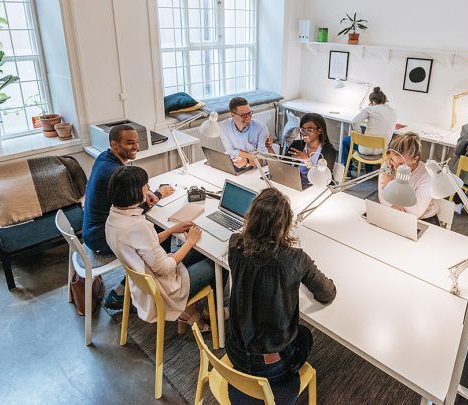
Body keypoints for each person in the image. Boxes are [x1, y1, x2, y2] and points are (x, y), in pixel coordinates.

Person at [226, 188, 337, 404]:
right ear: (285, 224)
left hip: (235, 352)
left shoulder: (235, 244)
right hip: (271, 366)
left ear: (251, 217)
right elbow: (327, 294)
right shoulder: (294, 259)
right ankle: (281, 383)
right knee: (305, 335)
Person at [105, 166, 216, 328]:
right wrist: (190, 241)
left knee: (199, 253)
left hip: (145, 282)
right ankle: (209, 313)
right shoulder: (137, 226)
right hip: (164, 290)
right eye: (145, 185)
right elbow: (165, 268)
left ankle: (194, 310)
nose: (149, 188)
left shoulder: (114, 217)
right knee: (215, 263)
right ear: (134, 191)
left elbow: (143, 245)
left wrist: (172, 230)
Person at [82, 124, 174, 309]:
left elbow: (125, 202)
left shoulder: (104, 158)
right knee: (158, 231)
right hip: (103, 237)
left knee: (151, 231)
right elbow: (134, 210)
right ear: (114, 145)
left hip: (91, 230)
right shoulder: (113, 172)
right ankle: (131, 289)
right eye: (130, 142)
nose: (136, 147)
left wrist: (142, 191)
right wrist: (158, 193)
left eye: (137, 142)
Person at [378, 133, 439, 224]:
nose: (394, 167)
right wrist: (393, 205)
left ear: (415, 159)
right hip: (394, 211)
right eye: (392, 159)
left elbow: (415, 213)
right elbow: (382, 196)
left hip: (423, 219)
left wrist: (389, 183)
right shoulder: (388, 165)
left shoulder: (426, 175)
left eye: (401, 164)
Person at [341, 87, 399, 174]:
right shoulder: (394, 112)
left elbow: (354, 122)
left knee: (346, 141)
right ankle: (369, 172)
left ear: (373, 102)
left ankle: (348, 171)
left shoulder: (370, 109)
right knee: (373, 140)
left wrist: (360, 137)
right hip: (382, 150)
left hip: (366, 150)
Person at [219, 97, 275, 168]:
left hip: (259, 168)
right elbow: (230, 151)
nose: (248, 118)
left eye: (249, 113)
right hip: (238, 162)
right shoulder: (224, 126)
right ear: (232, 115)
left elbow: (262, 159)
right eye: (243, 115)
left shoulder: (260, 127)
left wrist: (246, 161)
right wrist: (251, 156)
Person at [285, 113, 338, 183]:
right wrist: (270, 148)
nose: (304, 133)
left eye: (309, 130)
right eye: (303, 129)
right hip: (299, 184)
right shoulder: (297, 145)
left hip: (319, 186)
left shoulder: (329, 151)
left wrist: (307, 160)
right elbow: (283, 166)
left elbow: (323, 177)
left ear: (319, 131)